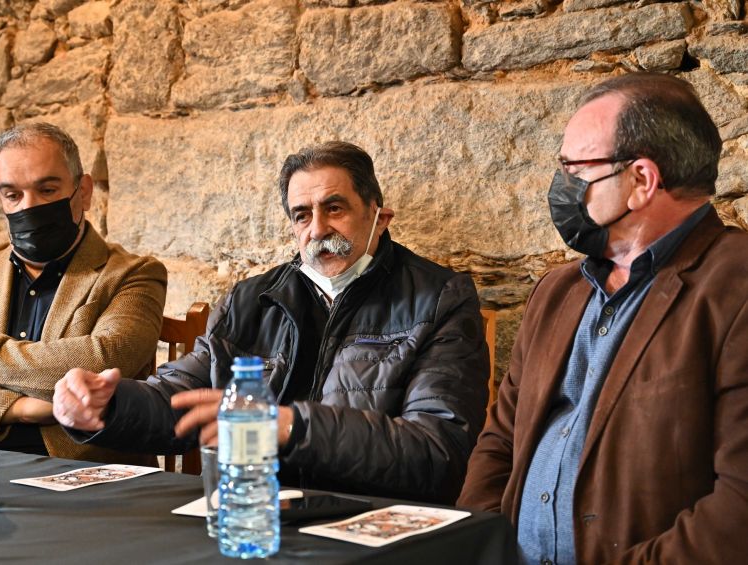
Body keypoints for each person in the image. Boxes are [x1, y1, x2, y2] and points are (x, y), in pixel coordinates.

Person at [53, 141, 489, 504]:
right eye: (302, 215)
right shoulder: (251, 300)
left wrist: (292, 427)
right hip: (254, 510)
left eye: (335, 208)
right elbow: (186, 395)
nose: (317, 229)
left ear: (379, 218)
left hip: (369, 520)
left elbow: (438, 452)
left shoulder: (439, 299)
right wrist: (109, 405)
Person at [458, 73, 748, 563]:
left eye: (576, 168)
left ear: (641, 180)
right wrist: (483, 547)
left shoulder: (735, 285)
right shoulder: (555, 292)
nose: (562, 184)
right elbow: (501, 439)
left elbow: (738, 507)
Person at [0, 123, 167, 464]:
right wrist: (18, 408)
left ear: (83, 191)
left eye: (47, 189)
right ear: (0, 200)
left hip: (86, 470)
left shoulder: (134, 274)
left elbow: (102, 360)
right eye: (13, 195)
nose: (30, 206)